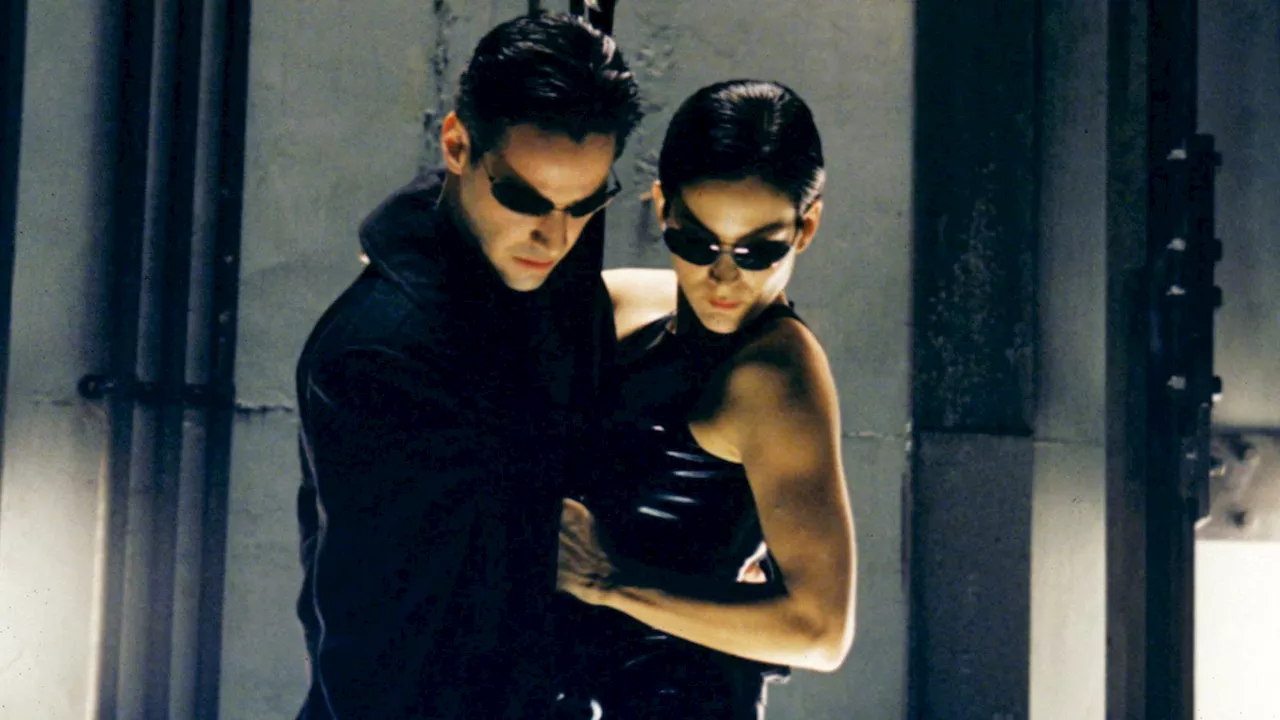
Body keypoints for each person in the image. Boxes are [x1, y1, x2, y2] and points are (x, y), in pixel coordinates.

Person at [292, 13, 642, 719]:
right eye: (524, 198)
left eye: (584, 204)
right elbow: (379, 653)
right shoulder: (378, 361)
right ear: (456, 144)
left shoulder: (549, 282)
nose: (554, 236)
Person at [554, 80, 857, 719]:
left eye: (757, 249)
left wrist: (611, 582)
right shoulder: (631, 304)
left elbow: (820, 631)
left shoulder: (776, 378)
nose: (723, 276)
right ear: (663, 208)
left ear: (806, 227)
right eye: (695, 242)